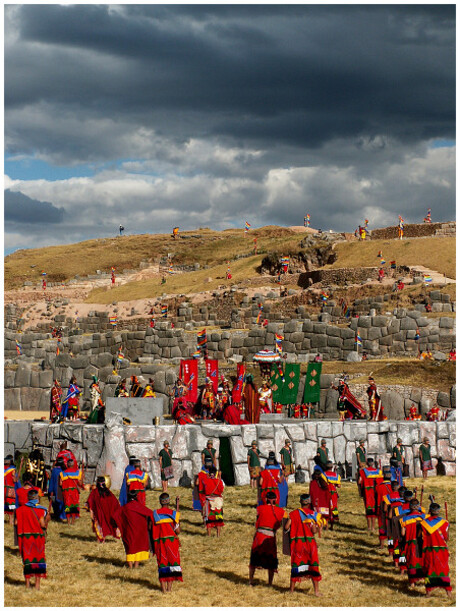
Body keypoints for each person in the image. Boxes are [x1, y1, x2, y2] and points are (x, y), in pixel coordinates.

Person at [285, 493, 321, 595]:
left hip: (298, 544)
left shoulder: (293, 513)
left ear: (300, 502)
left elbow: (287, 527)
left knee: (296, 566)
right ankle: (316, 592)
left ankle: (291, 591)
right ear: (309, 502)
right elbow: (313, 530)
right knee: (313, 566)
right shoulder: (312, 514)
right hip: (310, 544)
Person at [249, 490, 287, 586]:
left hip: (260, 535)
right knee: (271, 560)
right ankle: (270, 583)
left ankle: (250, 580)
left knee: (254, 558)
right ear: (275, 499)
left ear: (266, 499)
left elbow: (257, 521)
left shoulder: (260, 508)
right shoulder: (281, 511)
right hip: (271, 536)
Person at [15, 489, 50, 590]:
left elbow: (16, 523)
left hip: (25, 539)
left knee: (27, 560)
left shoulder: (19, 510)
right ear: (37, 498)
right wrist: (47, 519)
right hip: (37, 539)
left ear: (28, 498)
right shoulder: (41, 510)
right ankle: (37, 585)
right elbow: (42, 524)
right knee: (38, 560)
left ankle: (27, 584)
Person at [114, 489, 153, 568]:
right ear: (136, 497)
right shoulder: (139, 506)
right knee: (138, 547)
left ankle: (130, 566)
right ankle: (136, 565)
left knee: (130, 548)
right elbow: (151, 513)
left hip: (128, 531)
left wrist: (118, 527)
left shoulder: (124, 507)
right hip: (139, 531)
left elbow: (115, 515)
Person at [152, 493, 183, 592]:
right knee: (172, 563)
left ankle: (163, 589)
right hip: (171, 542)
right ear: (168, 501)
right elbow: (177, 531)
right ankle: (169, 589)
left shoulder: (155, 514)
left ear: (160, 501)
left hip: (160, 542)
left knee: (162, 563)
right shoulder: (174, 514)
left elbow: (150, 527)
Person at [420, 503, 452, 597]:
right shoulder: (444, 522)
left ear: (430, 511)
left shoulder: (424, 523)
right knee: (444, 569)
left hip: (428, 549)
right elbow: (446, 538)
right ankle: (448, 592)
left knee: (429, 569)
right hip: (441, 550)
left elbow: (421, 536)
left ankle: (428, 592)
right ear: (438, 511)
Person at [399, 498, 425, 587]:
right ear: (418, 507)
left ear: (410, 507)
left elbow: (402, 533)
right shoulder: (424, 517)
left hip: (410, 543)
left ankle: (412, 583)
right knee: (422, 561)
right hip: (420, 543)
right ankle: (423, 581)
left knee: (411, 562)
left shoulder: (404, 519)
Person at [86, 476, 121, 543]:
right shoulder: (107, 492)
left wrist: (91, 511)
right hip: (104, 512)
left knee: (101, 525)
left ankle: (101, 539)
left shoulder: (96, 492)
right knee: (103, 524)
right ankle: (101, 538)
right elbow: (115, 502)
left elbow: (90, 502)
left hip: (101, 513)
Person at [358, 458, 383, 532]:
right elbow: (380, 483)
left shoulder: (362, 471)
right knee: (374, 509)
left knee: (368, 508)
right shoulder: (378, 472)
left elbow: (359, 482)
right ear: (373, 463)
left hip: (367, 492)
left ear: (367, 463)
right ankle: (373, 527)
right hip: (375, 493)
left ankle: (369, 527)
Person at [59, 459, 85, 525]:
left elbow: (60, 484)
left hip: (66, 492)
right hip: (74, 492)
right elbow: (80, 483)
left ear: (67, 464)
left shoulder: (62, 473)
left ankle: (68, 521)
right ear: (73, 464)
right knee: (74, 505)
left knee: (67, 506)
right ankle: (73, 521)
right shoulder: (78, 473)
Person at [202, 466, 225, 536]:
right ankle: (218, 535)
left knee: (209, 518)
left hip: (209, 501)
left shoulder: (206, 481)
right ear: (215, 473)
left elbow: (204, 491)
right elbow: (221, 490)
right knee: (218, 518)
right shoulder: (219, 481)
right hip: (217, 501)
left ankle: (209, 535)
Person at [375, 466, 393, 548]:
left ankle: (381, 544)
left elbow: (376, 497)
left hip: (381, 508)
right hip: (391, 509)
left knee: (382, 526)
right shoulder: (394, 487)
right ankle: (391, 546)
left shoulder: (379, 487)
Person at [48, 457, 66, 522]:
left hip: (54, 490)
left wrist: (50, 490)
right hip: (61, 490)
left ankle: (58, 515)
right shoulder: (64, 470)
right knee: (61, 503)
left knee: (54, 502)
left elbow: (52, 481)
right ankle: (61, 516)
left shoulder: (54, 470)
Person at [4, 455, 18, 525]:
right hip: (10, 489)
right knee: (11, 504)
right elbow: (14, 480)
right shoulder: (12, 470)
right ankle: (11, 520)